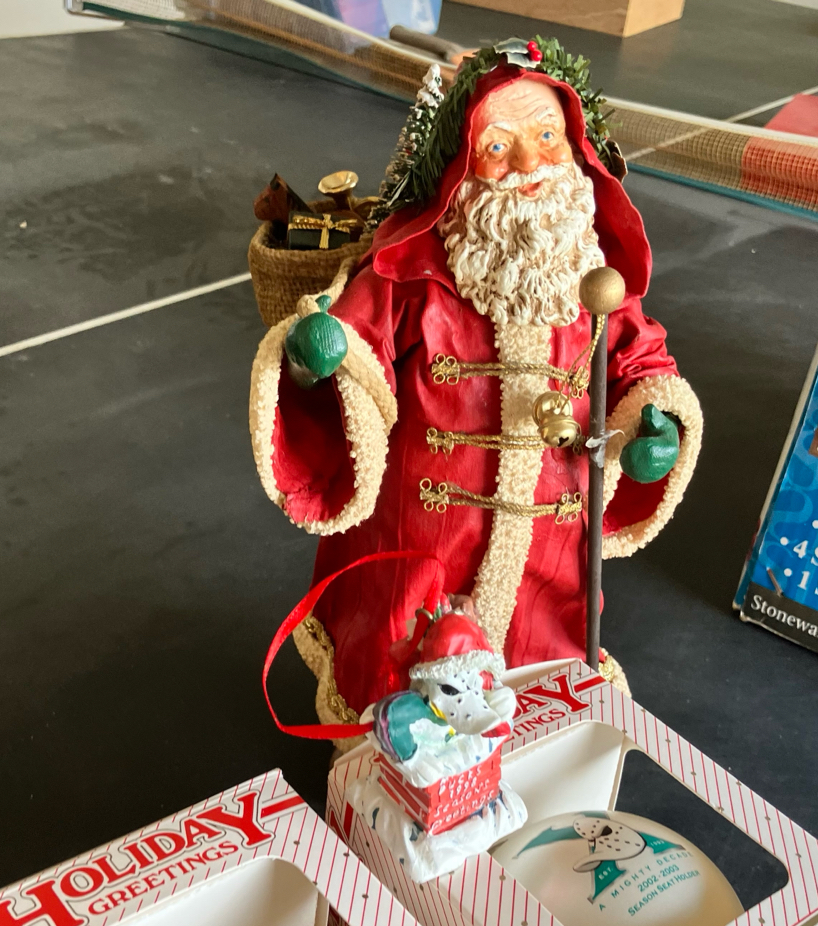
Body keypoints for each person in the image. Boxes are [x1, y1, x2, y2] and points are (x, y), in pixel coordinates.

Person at [249, 39, 702, 740]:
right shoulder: (411, 271)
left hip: (548, 552)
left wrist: (654, 421)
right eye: (497, 146)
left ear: (576, 148)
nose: (528, 163)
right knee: (401, 663)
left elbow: (641, 361)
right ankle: (392, 759)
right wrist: (316, 365)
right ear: (461, 162)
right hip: (422, 544)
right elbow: (353, 346)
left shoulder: (592, 272)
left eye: (547, 137)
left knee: (539, 655)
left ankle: (532, 739)